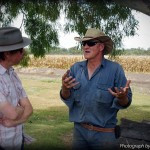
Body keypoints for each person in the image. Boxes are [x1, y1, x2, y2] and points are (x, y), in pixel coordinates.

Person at [60, 28, 132, 150]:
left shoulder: (115, 70)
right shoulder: (76, 69)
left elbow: (126, 101)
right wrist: (65, 89)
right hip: (79, 132)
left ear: (101, 47)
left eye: (91, 43)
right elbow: (67, 96)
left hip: (105, 135)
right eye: (83, 43)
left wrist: (123, 97)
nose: (85, 46)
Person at [0, 27, 33, 150]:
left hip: (18, 142)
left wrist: (15, 122)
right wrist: (19, 110)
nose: (23, 52)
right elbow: (13, 113)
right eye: (20, 50)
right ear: (7, 53)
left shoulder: (13, 74)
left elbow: (29, 108)